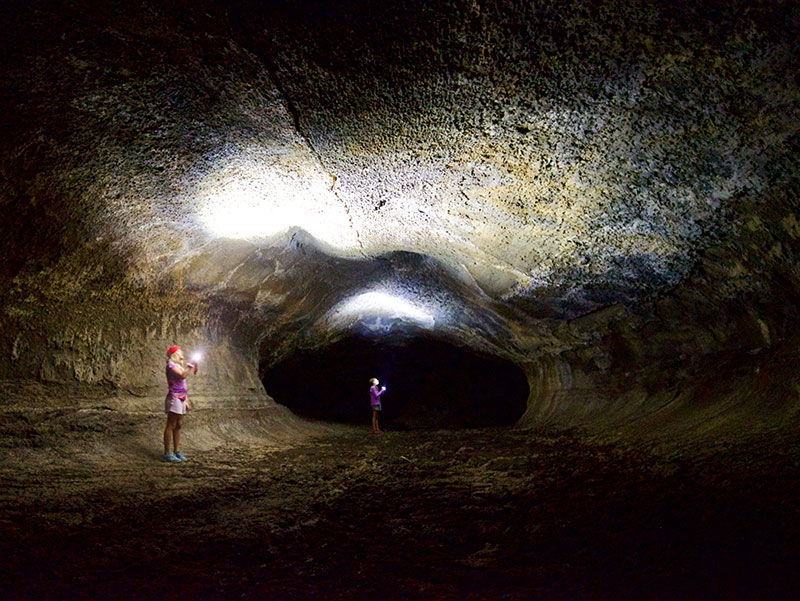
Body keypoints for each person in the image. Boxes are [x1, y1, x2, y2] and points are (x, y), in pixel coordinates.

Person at [163, 345, 198, 462]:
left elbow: (183, 386)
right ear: (175, 354)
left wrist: (186, 400)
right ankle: (167, 453)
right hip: (174, 397)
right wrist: (190, 366)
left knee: (179, 425)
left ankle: (176, 451)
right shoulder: (171, 365)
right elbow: (182, 375)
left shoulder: (178, 365)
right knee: (171, 425)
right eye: (180, 351)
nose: (183, 353)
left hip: (182, 398)